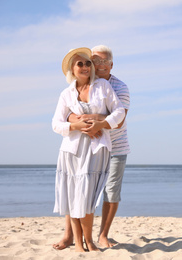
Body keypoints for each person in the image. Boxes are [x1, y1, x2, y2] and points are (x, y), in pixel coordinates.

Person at [53, 45, 130, 249]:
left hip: (112, 146)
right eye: (95, 61)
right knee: (74, 193)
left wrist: (97, 122)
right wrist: (74, 122)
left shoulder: (115, 87)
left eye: (104, 61)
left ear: (111, 65)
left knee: (104, 193)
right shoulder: (68, 92)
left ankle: (100, 237)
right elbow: (60, 119)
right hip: (76, 149)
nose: (97, 65)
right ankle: (73, 238)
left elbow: (120, 116)